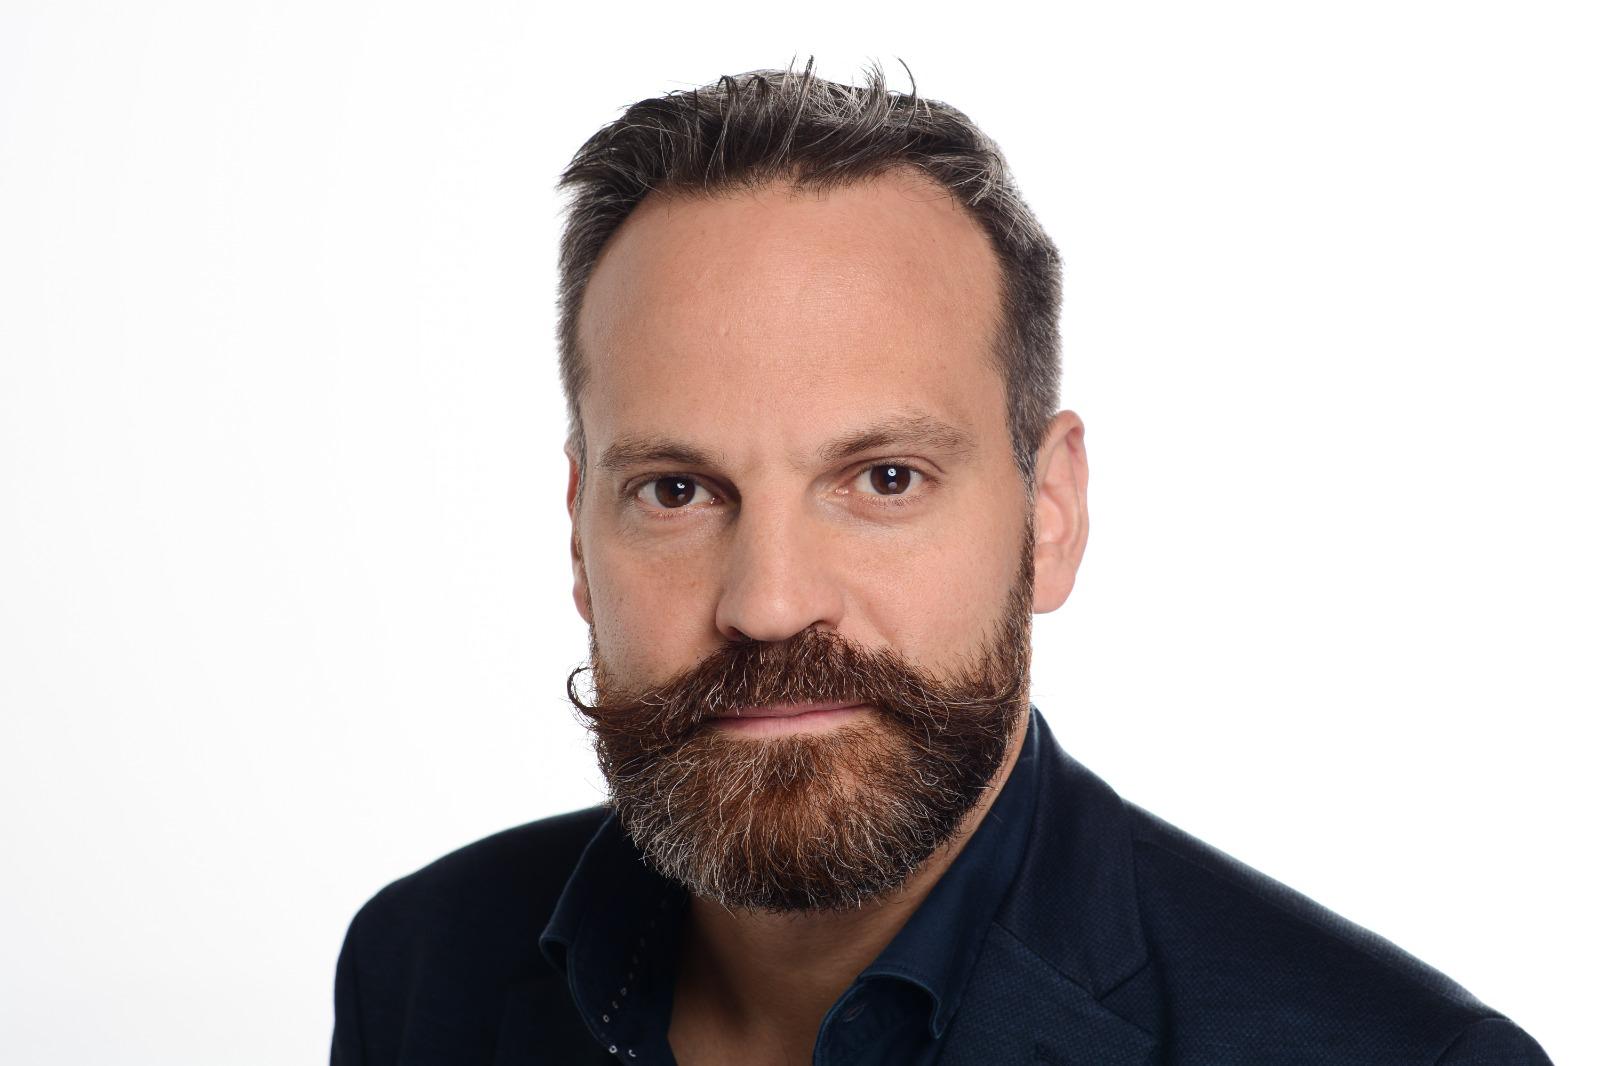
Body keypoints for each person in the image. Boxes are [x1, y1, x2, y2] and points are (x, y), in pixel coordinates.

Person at [330, 62, 1550, 1066]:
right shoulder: (420, 968)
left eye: (884, 479)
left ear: (1048, 514)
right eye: (677, 491)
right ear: (579, 534)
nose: (769, 602)